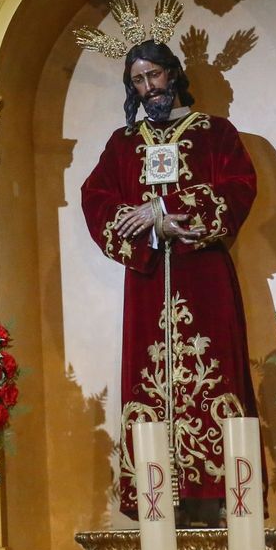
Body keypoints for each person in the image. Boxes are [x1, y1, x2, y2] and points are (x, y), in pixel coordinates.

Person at [79, 36, 257, 521]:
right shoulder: (122, 145)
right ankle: (161, 507)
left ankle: (224, 504)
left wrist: (166, 207)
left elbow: (239, 189)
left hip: (205, 279)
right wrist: (147, 227)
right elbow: (95, 200)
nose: (147, 87)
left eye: (154, 76)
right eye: (137, 80)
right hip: (149, 281)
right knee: (148, 386)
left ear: (173, 74)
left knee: (216, 376)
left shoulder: (216, 133)